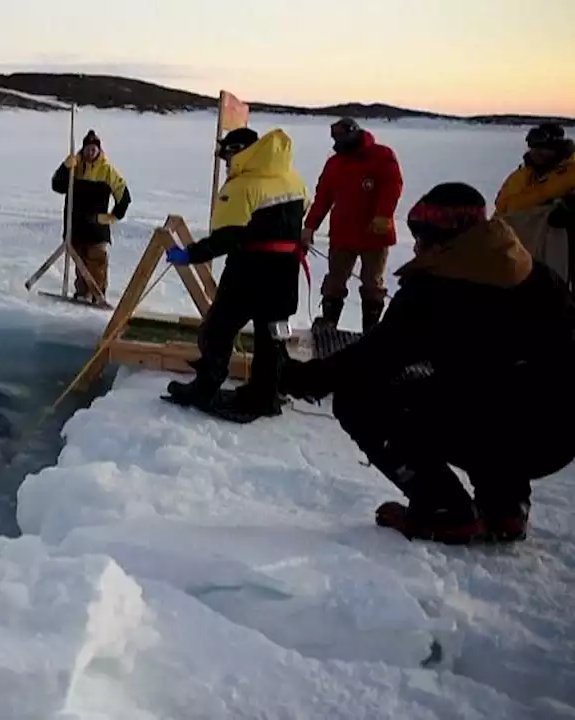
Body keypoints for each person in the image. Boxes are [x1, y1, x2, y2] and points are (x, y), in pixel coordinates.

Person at [280, 182, 575, 545]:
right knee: (487, 388)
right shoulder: (531, 271)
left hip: (509, 430)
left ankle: (444, 509)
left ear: (445, 235)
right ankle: (505, 508)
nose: (416, 244)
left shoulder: (437, 289)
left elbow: (371, 361)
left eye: (422, 234)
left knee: (359, 398)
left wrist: (297, 376)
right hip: (558, 436)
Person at [164, 127, 309, 418]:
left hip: (250, 271)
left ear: (238, 151)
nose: (226, 163)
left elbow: (226, 238)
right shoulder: (292, 177)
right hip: (285, 271)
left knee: (217, 330)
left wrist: (190, 254)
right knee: (272, 336)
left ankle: (205, 389)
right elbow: (303, 210)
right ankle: (265, 396)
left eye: (227, 156)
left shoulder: (242, 185)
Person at [302, 118, 404, 332]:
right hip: (343, 233)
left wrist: (383, 215)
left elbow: (392, 186)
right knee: (335, 280)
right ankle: (329, 322)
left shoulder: (382, 156)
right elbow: (323, 198)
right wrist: (310, 226)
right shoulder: (335, 163)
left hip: (374, 234)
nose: (337, 142)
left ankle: (371, 328)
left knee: (372, 283)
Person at [50, 130, 132, 303]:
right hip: (76, 226)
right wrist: (65, 168)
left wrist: (110, 217)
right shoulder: (75, 167)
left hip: (97, 228)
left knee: (96, 263)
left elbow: (124, 197)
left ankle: (97, 296)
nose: (90, 152)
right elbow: (57, 185)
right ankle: (82, 295)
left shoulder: (107, 170)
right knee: (80, 264)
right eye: (88, 149)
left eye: (94, 149)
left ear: (99, 150)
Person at [493, 123, 575, 287]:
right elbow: (502, 209)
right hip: (521, 251)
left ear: (557, 148)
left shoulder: (571, 174)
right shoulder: (520, 176)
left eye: (543, 148)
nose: (537, 152)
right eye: (533, 147)